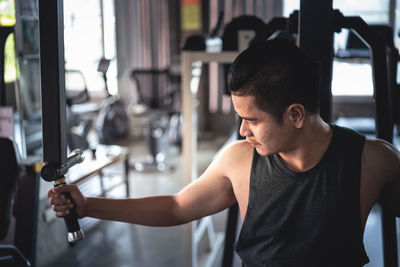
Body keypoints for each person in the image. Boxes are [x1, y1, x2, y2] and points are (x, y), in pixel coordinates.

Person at [48, 38, 400, 266]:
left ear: (294, 114)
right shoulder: (239, 159)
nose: (243, 131)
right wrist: (89, 206)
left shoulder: (373, 161)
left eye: (252, 120)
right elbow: (176, 207)